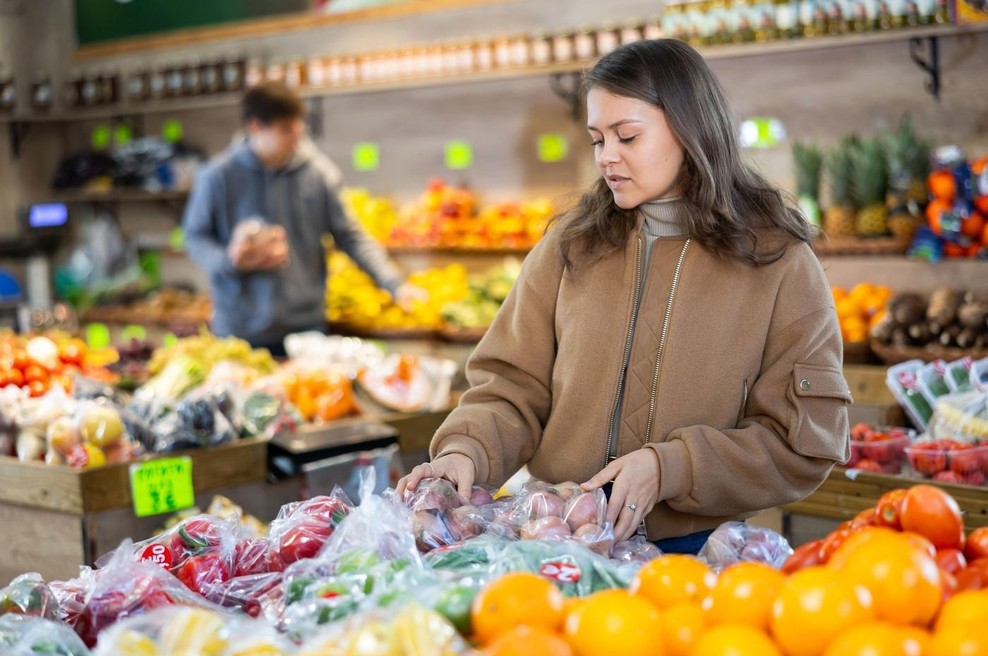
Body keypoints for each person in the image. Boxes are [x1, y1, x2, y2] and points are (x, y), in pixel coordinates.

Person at [397, 39, 851, 555]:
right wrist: (467, 451)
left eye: (627, 136)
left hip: (700, 553)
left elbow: (801, 444)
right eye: (597, 140)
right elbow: (509, 388)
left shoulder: (779, 262)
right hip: (552, 541)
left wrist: (670, 467)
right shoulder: (570, 246)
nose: (607, 157)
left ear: (690, 129)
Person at [183, 81, 424, 355]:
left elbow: (350, 235)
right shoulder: (218, 177)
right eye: (285, 129)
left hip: (306, 329)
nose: (296, 135)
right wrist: (229, 260)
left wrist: (394, 284)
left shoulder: (318, 174)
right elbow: (195, 237)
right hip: (239, 331)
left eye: (298, 126)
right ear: (255, 127)